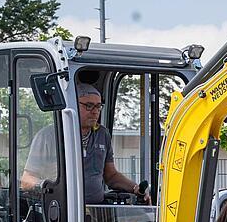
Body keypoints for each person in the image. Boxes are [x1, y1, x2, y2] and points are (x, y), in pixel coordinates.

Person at [22, 83, 150, 204]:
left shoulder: (102, 134)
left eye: (98, 106)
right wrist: (48, 186)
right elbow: (26, 180)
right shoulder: (48, 136)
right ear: (72, 105)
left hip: (96, 211)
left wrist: (135, 188)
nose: (95, 111)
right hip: (60, 212)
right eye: (89, 106)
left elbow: (111, 176)